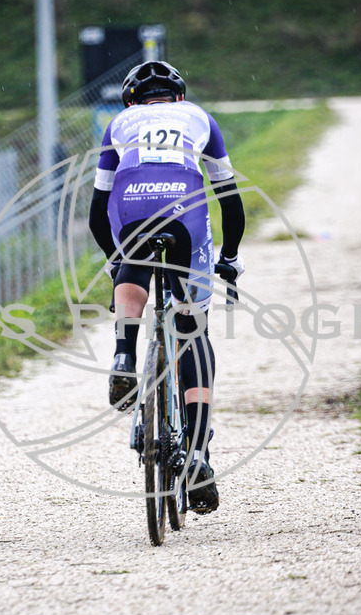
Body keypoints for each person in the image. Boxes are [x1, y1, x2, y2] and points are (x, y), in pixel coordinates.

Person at [88, 60, 246, 514]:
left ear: (131, 101)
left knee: (131, 263)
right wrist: (229, 257)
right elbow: (229, 198)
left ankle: (123, 352)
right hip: (186, 209)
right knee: (192, 329)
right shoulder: (200, 117)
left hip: (133, 203)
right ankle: (197, 451)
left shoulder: (119, 123)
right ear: (178, 98)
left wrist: (115, 262)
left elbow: (98, 210)